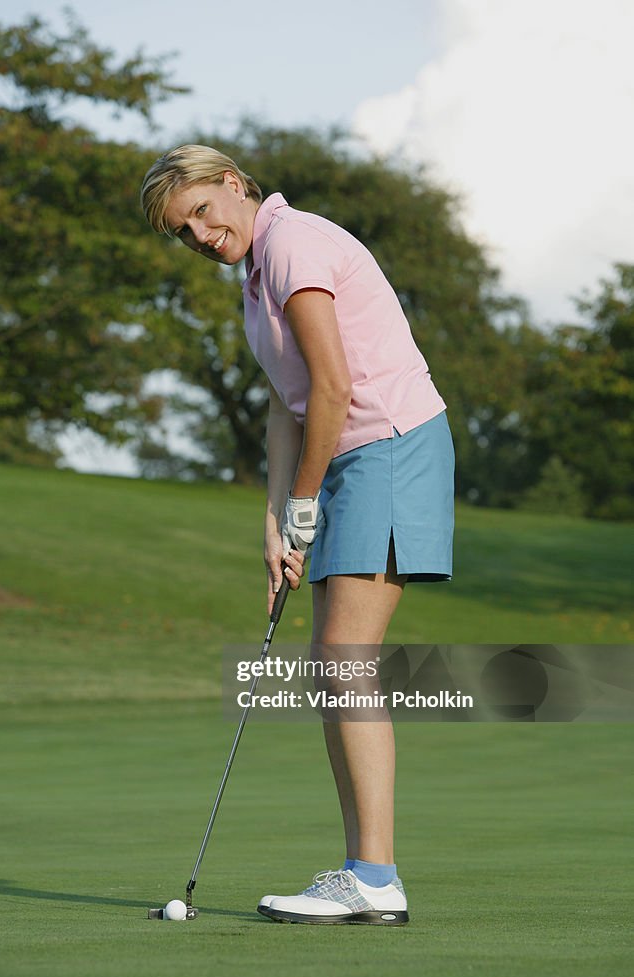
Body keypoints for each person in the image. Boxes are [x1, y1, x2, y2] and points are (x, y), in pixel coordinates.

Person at [140, 145, 455, 926]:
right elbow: (288, 405)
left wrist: (307, 503)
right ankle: (365, 871)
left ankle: (374, 877)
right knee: (332, 668)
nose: (201, 237)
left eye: (203, 214)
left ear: (233, 185)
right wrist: (277, 522)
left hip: (385, 448)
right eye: (184, 233)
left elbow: (334, 385)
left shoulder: (292, 244)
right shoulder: (254, 281)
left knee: (345, 663)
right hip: (348, 460)